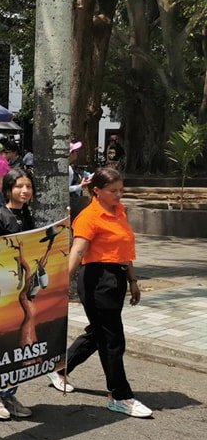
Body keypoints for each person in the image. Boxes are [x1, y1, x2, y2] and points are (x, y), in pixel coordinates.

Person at [46, 167, 152, 418]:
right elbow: (78, 251)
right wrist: (62, 283)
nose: (119, 195)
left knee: (99, 332)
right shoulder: (89, 217)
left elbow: (124, 248)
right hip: (97, 280)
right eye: (113, 191)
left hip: (116, 277)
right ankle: (120, 395)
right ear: (97, 191)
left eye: (120, 190)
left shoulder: (119, 212)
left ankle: (60, 368)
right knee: (113, 338)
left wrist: (133, 280)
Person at [0, 168, 36, 420]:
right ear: (8, 190)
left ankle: (8, 393)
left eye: (28, 187)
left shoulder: (27, 216)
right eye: (19, 186)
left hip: (21, 292)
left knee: (19, 347)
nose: (24, 191)